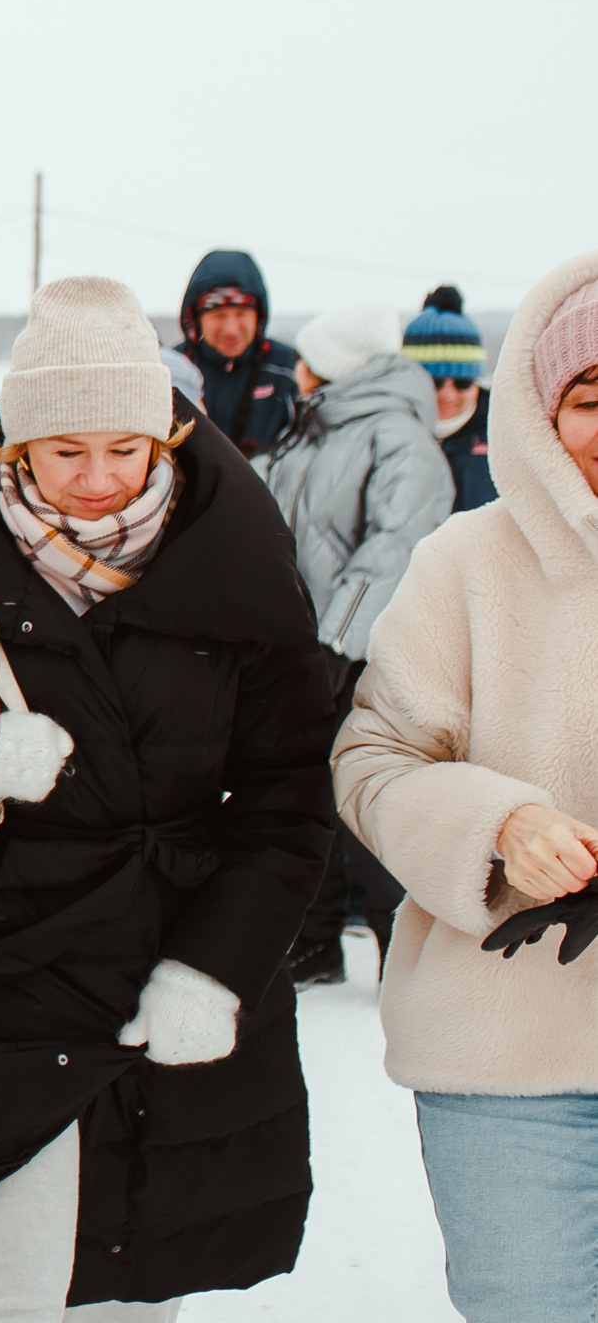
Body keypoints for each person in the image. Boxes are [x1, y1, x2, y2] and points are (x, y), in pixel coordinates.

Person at [0, 276, 334, 1321]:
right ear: (13, 446)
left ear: (165, 436)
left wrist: (215, 968)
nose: (99, 480)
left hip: (180, 945)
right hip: (7, 959)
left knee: (134, 1274)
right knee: (7, 1280)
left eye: (125, 450)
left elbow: (287, 793)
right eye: (65, 452)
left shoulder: (240, 557)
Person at [331, 250, 598, 1323]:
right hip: (508, 1059)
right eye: (590, 395)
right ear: (539, 409)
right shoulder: (464, 562)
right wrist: (500, 825)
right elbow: (374, 761)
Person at [259, 306, 454, 985]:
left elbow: (393, 549)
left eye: (309, 357)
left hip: (362, 652)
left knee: (369, 800)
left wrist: (336, 643)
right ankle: (310, 944)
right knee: (302, 796)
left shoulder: (399, 440)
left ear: (336, 364)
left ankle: (404, 953)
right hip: (302, 651)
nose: (296, 367)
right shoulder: (312, 431)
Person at [174, 250, 300, 457]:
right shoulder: (174, 369)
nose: (231, 330)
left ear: (258, 315)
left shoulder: (288, 368)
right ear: (195, 318)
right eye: (219, 315)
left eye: (242, 314)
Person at [404, 285, 499, 512]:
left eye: (462, 382)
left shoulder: (505, 434)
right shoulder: (387, 433)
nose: (448, 394)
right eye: (434, 383)